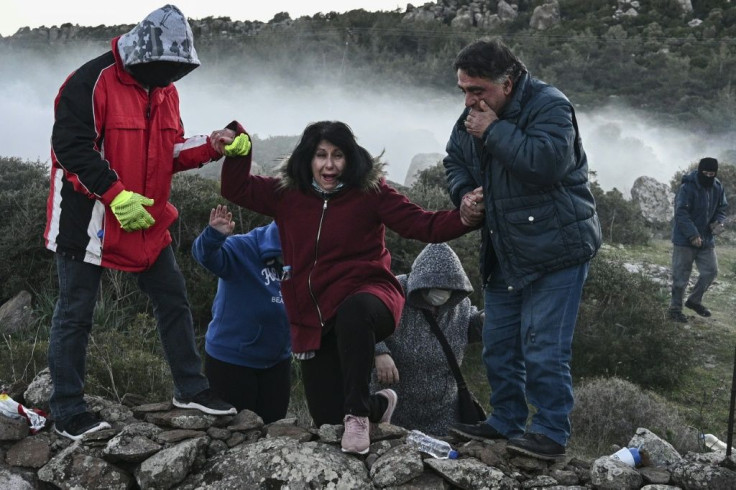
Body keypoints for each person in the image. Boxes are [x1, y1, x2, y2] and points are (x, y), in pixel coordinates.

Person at [214, 120, 474, 455]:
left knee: (355, 311)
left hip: (372, 296)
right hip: (315, 315)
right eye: (321, 155)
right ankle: (376, 407)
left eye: (338, 155)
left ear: (350, 158)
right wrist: (240, 148)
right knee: (327, 421)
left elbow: (422, 224)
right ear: (308, 158)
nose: (329, 164)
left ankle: (359, 414)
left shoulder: (371, 193)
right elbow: (236, 190)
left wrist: (465, 218)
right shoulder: (287, 195)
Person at [44, 5, 237, 441]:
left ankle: (191, 387)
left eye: (177, 70)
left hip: (146, 219)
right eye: (164, 68)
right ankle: (68, 408)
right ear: (141, 55)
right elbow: (71, 150)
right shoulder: (90, 81)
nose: (170, 77)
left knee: (174, 300)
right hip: (88, 218)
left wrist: (212, 145)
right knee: (75, 313)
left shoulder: (164, 89)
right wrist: (113, 194)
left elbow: (166, 150)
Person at [442, 38, 602, 460]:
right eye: (464, 90)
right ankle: (504, 420)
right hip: (506, 247)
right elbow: (454, 161)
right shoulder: (472, 116)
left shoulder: (550, 105)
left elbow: (546, 163)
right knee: (498, 342)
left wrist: (494, 131)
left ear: (508, 83)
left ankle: (550, 431)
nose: (470, 100)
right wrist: (464, 195)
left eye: (478, 91)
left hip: (558, 249)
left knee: (543, 346)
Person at [370, 243, 484, 436]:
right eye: (433, 286)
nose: (440, 292)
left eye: (446, 287)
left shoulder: (459, 304)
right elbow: (362, 322)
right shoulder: (394, 291)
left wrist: (486, 320)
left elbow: (469, 327)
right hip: (393, 407)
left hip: (443, 413)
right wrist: (378, 351)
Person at [192, 206, 291, 423]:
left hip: (277, 362)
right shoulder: (243, 247)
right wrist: (213, 236)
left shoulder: (307, 255)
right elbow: (206, 256)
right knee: (232, 435)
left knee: (272, 433)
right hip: (231, 361)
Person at [668, 157, 728, 323]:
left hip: (707, 240)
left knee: (711, 271)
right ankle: (674, 310)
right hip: (684, 240)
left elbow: (722, 208)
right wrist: (693, 235)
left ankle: (694, 301)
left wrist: (718, 222)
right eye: (706, 173)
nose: (709, 176)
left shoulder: (717, 186)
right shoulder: (687, 187)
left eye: (712, 173)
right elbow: (681, 213)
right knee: (681, 277)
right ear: (700, 171)